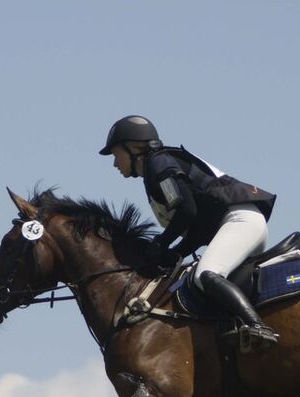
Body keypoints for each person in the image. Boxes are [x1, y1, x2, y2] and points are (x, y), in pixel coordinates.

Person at [99, 115, 278, 352]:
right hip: (239, 223)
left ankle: (257, 326)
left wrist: (161, 243)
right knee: (197, 281)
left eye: (116, 155)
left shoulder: (158, 166)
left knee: (205, 274)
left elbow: (187, 210)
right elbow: (199, 228)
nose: (115, 163)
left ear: (133, 148)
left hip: (240, 221)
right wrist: (176, 252)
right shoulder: (158, 167)